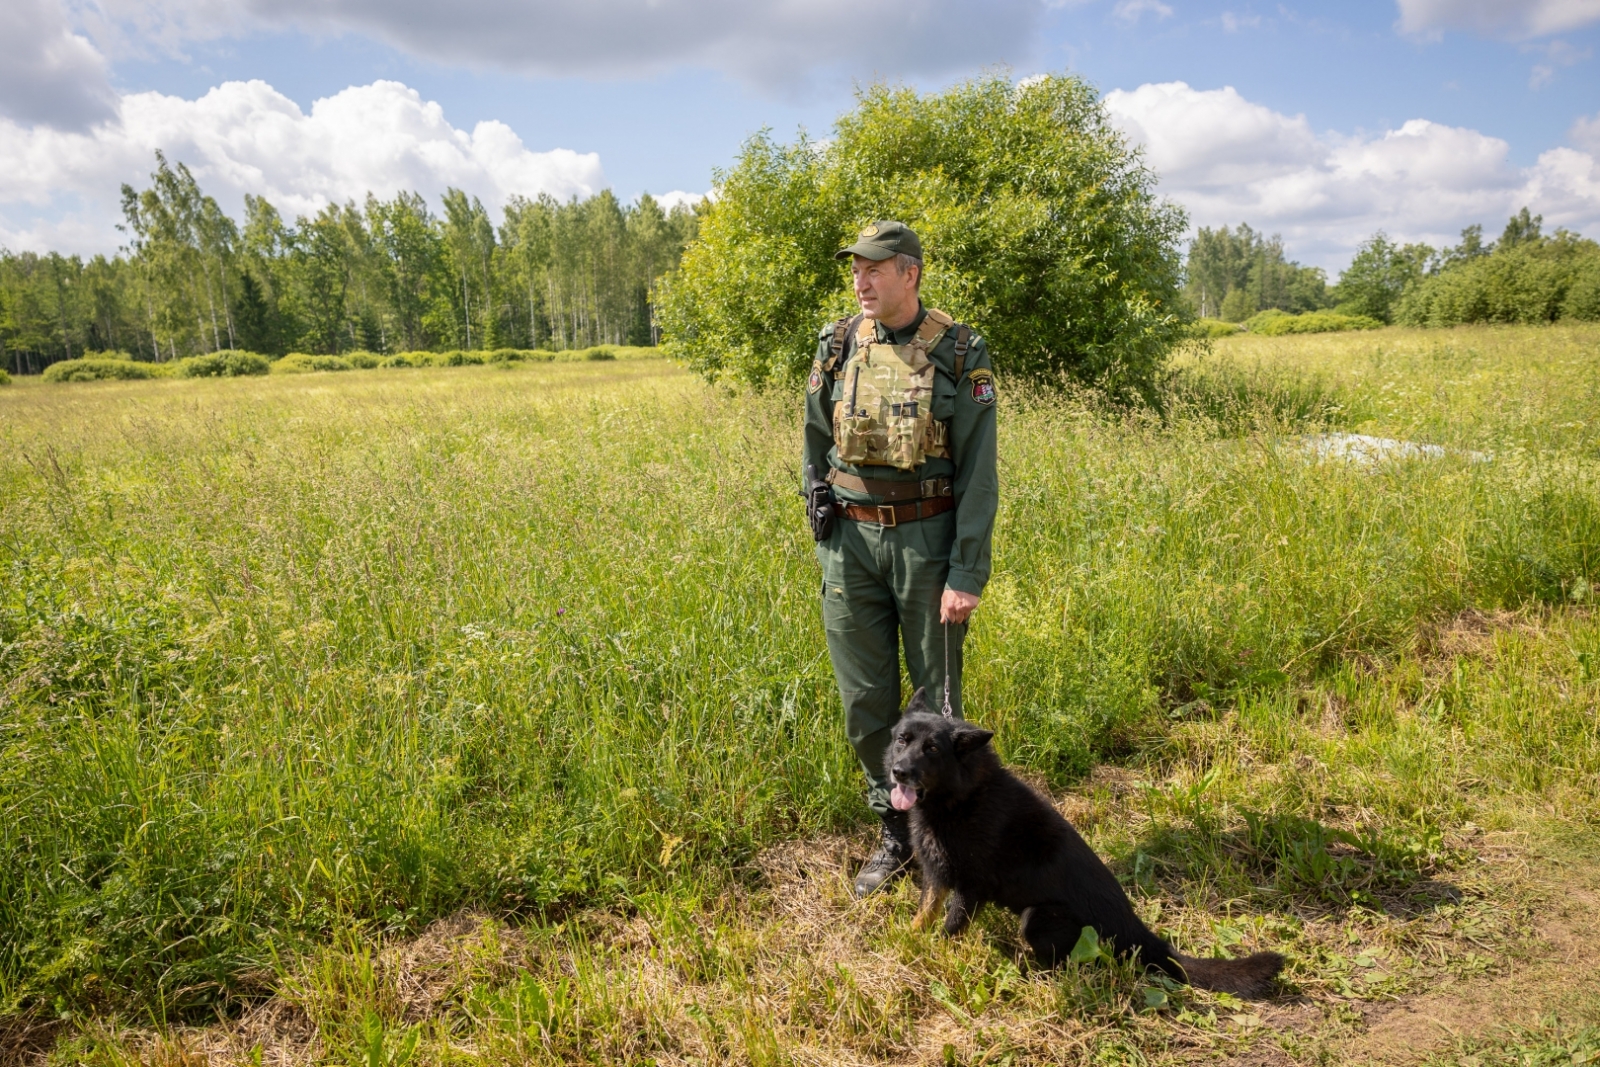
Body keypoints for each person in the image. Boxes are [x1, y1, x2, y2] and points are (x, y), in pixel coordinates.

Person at [802, 220, 999, 897]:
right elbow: (814, 436)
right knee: (865, 705)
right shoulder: (836, 344)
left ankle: (955, 841)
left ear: (909, 274)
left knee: (938, 714)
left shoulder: (960, 352)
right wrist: (817, 500)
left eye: (875, 269)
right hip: (850, 545)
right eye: (855, 269)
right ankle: (895, 832)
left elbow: (980, 470)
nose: (861, 280)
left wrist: (966, 570)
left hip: (927, 543)